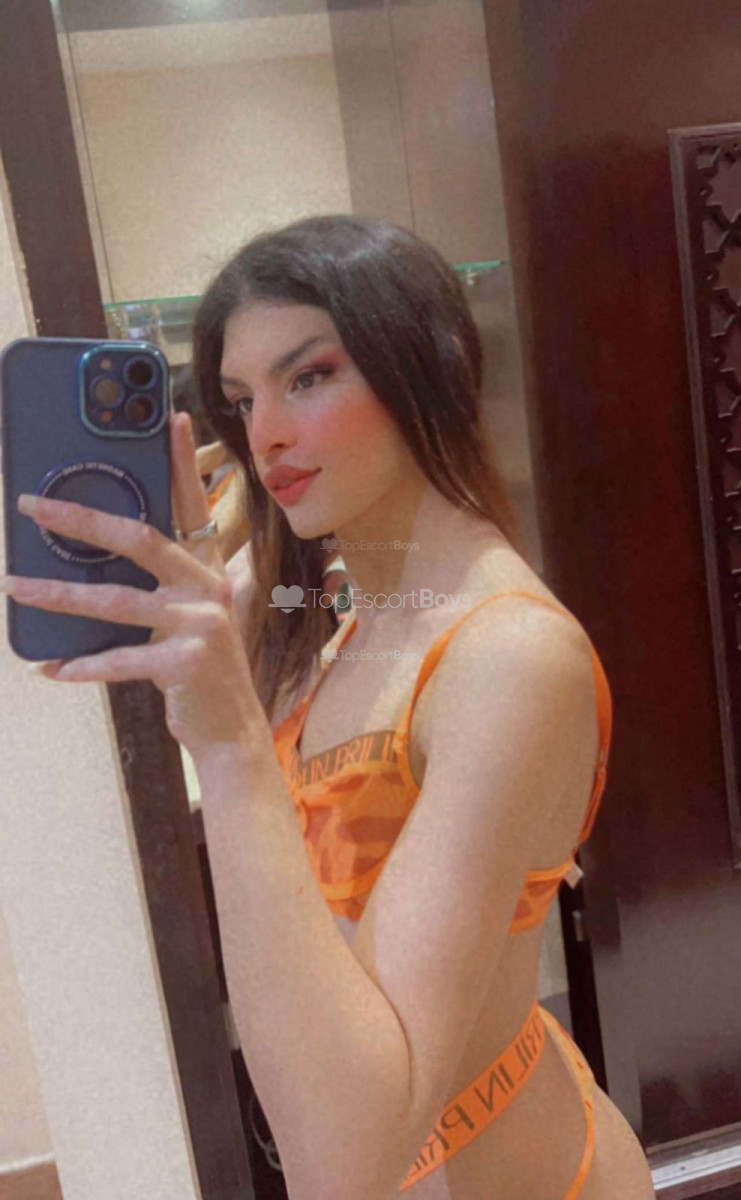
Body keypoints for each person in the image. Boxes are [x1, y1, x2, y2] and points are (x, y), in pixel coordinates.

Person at [6, 214, 654, 1199]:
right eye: (239, 400)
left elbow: (345, 1164)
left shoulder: (509, 656)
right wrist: (216, 576)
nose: (263, 434)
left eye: (309, 377)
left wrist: (231, 748)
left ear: (429, 364)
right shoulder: (345, 614)